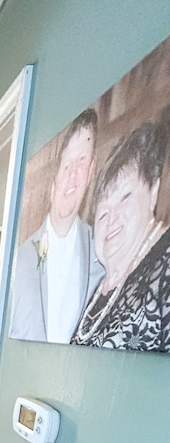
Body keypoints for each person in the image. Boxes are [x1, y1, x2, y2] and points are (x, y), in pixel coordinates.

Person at [72, 112, 170, 350]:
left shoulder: (164, 266)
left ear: (153, 192)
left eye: (125, 197)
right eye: (102, 213)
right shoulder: (99, 289)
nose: (111, 218)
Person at [10, 108, 104, 343]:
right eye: (66, 165)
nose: (73, 175)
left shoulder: (102, 252)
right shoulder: (18, 260)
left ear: (91, 170)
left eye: (81, 162)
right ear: (52, 183)